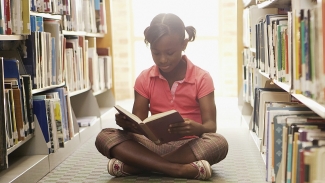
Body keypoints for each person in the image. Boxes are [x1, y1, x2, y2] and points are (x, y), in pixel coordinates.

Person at [95, 13, 228, 180]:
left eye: (170, 53)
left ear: (184, 44)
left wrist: (196, 128)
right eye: (156, 53)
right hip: (151, 145)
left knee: (219, 142)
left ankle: (137, 166)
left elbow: (211, 126)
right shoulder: (144, 78)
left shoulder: (202, 78)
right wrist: (127, 124)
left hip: (189, 146)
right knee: (104, 136)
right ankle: (177, 170)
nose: (163, 60)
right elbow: (139, 123)